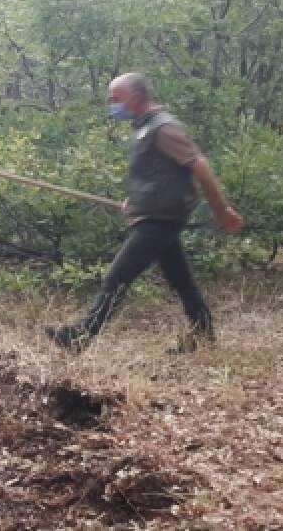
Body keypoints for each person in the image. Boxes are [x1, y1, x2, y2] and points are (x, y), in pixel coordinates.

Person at [46, 73, 244, 355]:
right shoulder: (146, 128)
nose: (111, 104)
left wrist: (221, 210)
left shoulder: (164, 128)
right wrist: (137, 202)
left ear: (136, 97)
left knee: (116, 277)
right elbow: (158, 176)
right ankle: (203, 335)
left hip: (161, 220)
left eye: (116, 98)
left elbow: (199, 166)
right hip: (157, 216)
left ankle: (80, 337)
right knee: (180, 280)